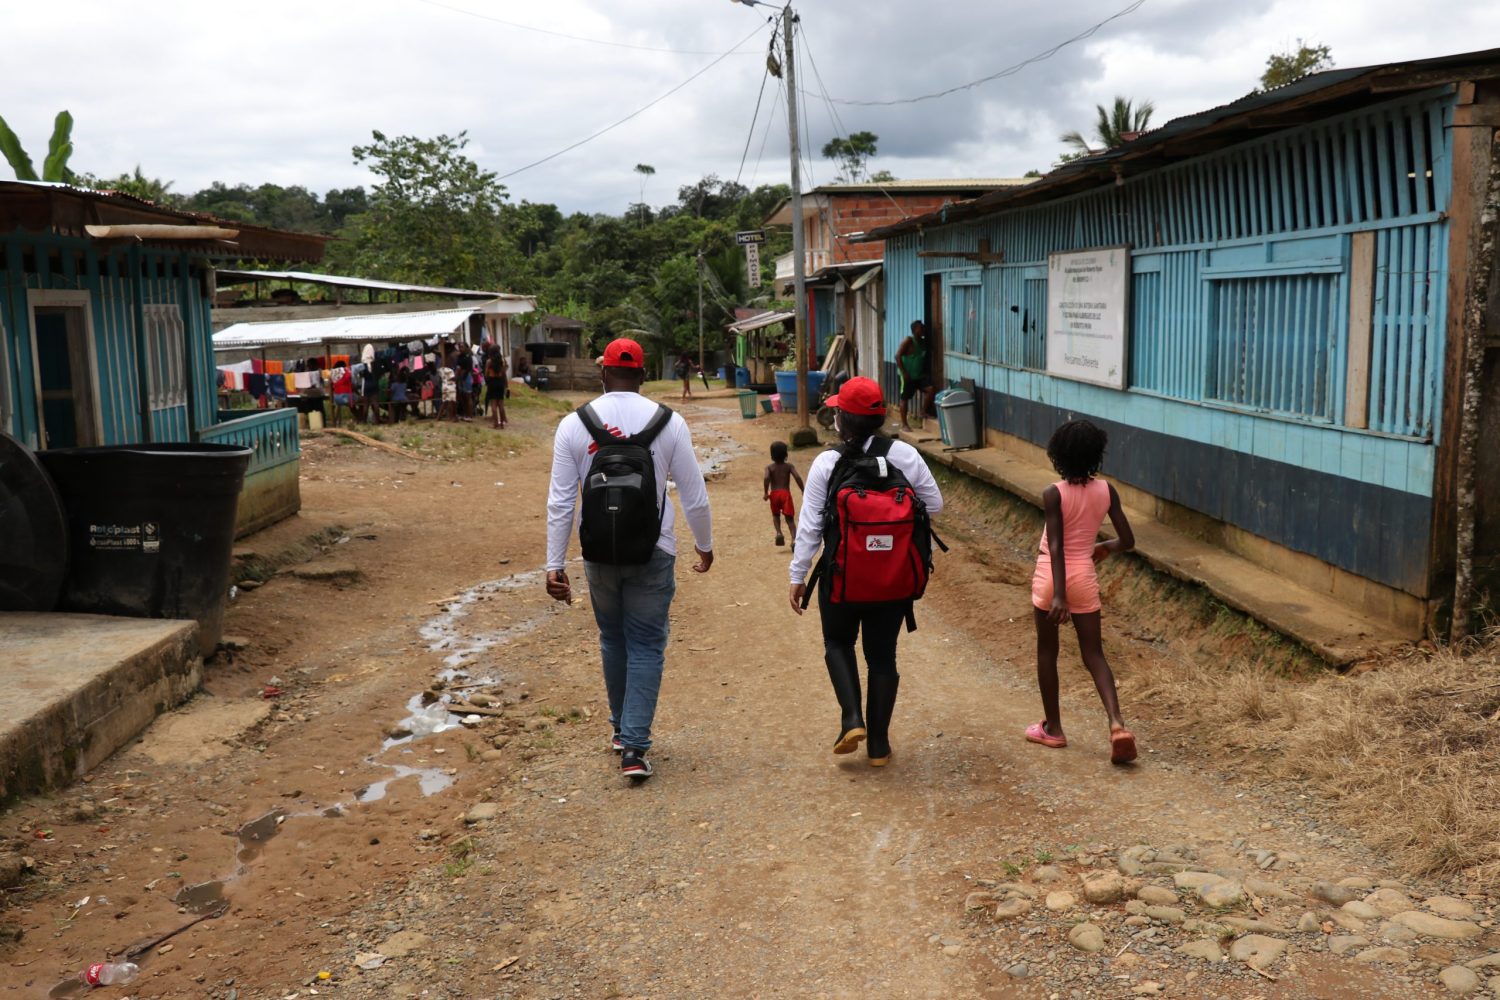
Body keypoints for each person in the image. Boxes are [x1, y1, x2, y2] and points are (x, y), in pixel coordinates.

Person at [545, 337, 714, 780]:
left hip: (598, 551)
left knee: (612, 638)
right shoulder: (669, 423)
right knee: (645, 641)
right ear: (641, 375)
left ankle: (622, 730)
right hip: (653, 549)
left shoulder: (573, 425)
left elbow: (561, 502)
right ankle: (634, 750)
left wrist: (554, 563)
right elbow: (694, 496)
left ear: (603, 373)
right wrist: (704, 543)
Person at [788, 376, 943, 766]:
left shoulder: (828, 462)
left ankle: (851, 717)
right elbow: (934, 505)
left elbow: (809, 527)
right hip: (893, 580)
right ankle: (878, 744)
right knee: (883, 657)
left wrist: (798, 575)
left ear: (841, 419)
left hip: (842, 576)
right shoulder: (905, 456)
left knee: (837, 643)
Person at [1027, 419, 1138, 765]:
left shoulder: (1053, 493)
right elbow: (1129, 541)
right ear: (1096, 455)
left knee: (1048, 651)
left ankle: (1054, 729)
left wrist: (1059, 595)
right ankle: (1117, 724)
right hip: (1085, 575)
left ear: (1057, 456)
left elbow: (1056, 546)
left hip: (1052, 577)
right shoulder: (1107, 491)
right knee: (1095, 655)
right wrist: (1105, 545)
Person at [762, 440, 804, 547]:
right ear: (786, 454)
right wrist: (803, 490)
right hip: (785, 494)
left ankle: (779, 533)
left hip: (774, 494)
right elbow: (797, 477)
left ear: (772, 455)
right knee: (790, 519)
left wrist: (766, 492)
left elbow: (766, 478)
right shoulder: (789, 466)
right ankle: (794, 540)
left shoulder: (769, 468)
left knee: (776, 515)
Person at [895, 320, 934, 432]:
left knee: (930, 390)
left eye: (923, 328)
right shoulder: (908, 341)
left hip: (919, 375)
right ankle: (904, 424)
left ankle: (923, 412)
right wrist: (904, 372)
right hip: (907, 376)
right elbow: (897, 356)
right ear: (915, 330)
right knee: (904, 398)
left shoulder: (923, 342)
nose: (923, 330)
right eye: (921, 328)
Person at [484, 346, 508, 429]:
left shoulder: (489, 362)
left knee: (493, 404)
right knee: (501, 404)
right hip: (500, 382)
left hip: (492, 382)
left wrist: (487, 381)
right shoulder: (502, 361)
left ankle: (495, 423)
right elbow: (504, 373)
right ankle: (502, 423)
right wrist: (506, 385)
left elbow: (486, 374)